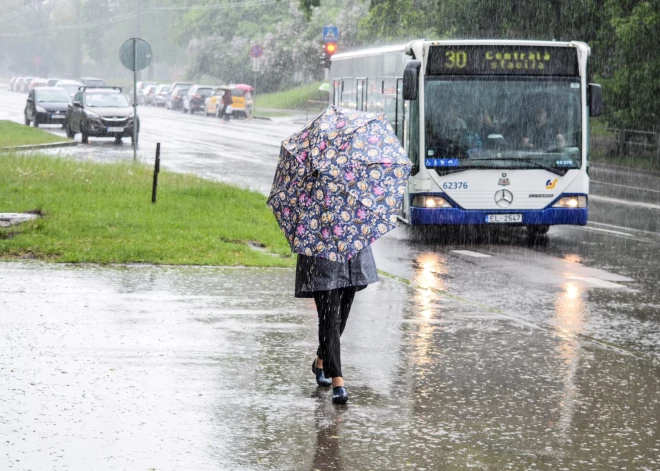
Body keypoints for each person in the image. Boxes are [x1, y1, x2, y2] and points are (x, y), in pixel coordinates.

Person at [295, 247, 379, 404]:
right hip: (321, 257)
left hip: (351, 259)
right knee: (330, 318)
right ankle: (337, 379)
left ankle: (321, 358)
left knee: (341, 318)